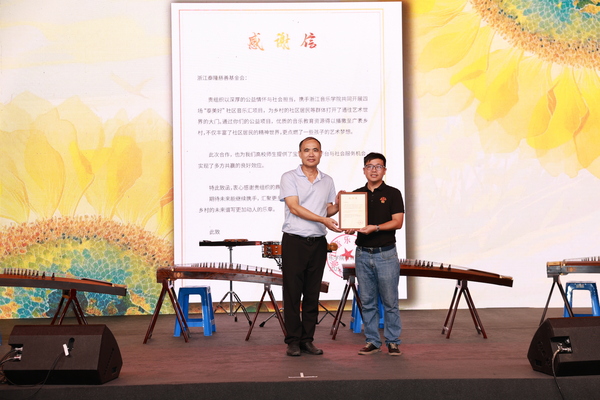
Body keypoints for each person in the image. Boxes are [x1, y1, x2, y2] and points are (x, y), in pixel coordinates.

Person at [279, 136, 342, 357]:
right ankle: (292, 341)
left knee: (312, 294)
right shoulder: (289, 177)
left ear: (321, 154)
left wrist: (339, 205)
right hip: (294, 241)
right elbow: (294, 208)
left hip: (318, 243)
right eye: (306, 150)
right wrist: (323, 219)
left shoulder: (327, 180)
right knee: (292, 293)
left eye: (315, 150)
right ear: (300, 154)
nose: (311, 154)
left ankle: (307, 340)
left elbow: (328, 209)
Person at [345, 152, 405, 356]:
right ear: (364, 170)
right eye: (370, 166)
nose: (373, 170)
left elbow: (398, 222)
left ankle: (393, 341)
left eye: (378, 166)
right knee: (367, 301)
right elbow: (352, 222)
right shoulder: (356, 195)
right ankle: (372, 341)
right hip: (362, 254)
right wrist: (350, 228)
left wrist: (376, 227)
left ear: (384, 170)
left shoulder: (393, 193)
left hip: (385, 254)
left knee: (390, 302)